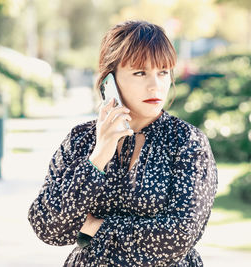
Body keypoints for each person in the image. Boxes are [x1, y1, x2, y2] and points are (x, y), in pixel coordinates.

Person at [28, 20, 218, 267]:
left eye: (162, 72)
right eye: (140, 73)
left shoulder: (187, 143)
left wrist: (95, 227)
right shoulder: (80, 140)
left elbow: (178, 237)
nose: (155, 85)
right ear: (110, 80)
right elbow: (47, 225)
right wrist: (100, 154)